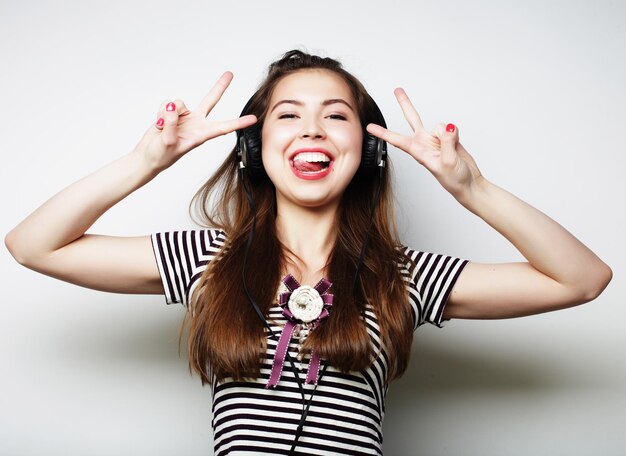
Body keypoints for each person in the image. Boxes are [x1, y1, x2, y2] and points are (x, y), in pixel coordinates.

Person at [4, 49, 612, 456]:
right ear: (255, 148)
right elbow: (33, 245)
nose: (313, 130)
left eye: (336, 115)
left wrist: (471, 189)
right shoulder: (210, 260)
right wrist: (146, 162)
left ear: (368, 150)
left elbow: (582, 279)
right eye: (288, 114)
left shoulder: (402, 276)